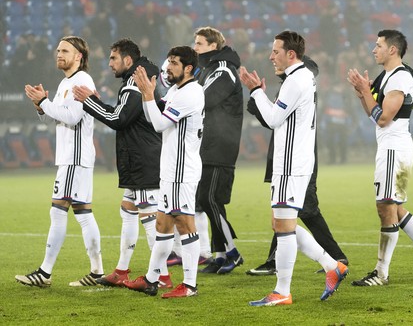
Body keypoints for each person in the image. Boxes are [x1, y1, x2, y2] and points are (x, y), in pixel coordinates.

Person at [240, 30, 348, 306]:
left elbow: (275, 118)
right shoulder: (302, 77)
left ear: (291, 54)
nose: (270, 56)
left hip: (290, 164)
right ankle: (331, 266)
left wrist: (255, 93)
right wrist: (261, 95)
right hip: (294, 162)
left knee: (284, 227)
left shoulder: (295, 80)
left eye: (275, 51)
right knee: (280, 223)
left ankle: (282, 291)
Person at [347, 29, 413, 286]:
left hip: (395, 148)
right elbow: (373, 113)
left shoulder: (400, 78)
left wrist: (366, 93)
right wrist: (363, 93)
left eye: (378, 45)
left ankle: (381, 273)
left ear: (393, 49)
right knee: (395, 208)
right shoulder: (389, 76)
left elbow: (383, 118)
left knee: (385, 208)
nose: (374, 49)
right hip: (394, 147)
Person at [72, 38, 172, 288]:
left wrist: (89, 101)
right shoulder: (138, 78)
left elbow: (119, 119)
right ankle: (121, 271)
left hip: (144, 159)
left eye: (113, 58)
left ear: (128, 60)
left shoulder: (135, 83)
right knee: (128, 211)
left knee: (151, 219)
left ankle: (161, 277)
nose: (109, 64)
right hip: (136, 159)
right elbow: (124, 115)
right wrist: (96, 101)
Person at [16, 36, 104, 287]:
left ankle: (44, 273)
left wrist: (44, 102)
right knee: (84, 213)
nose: (59, 54)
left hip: (74, 157)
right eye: (57, 50)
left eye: (65, 50)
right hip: (74, 156)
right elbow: (58, 116)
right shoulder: (66, 82)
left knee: (58, 211)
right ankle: (97, 272)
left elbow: (73, 117)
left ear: (79, 56)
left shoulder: (82, 80)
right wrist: (41, 106)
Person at [123, 46, 204, 298]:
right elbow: (154, 116)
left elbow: (158, 124)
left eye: (173, 63)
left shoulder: (189, 93)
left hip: (182, 170)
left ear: (188, 68)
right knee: (163, 223)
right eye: (167, 61)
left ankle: (189, 285)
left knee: (185, 223)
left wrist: (147, 93)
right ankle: (150, 280)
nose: (167, 67)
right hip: (171, 169)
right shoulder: (177, 90)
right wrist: (151, 95)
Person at [192, 26, 244, 274]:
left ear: (213, 46)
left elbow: (205, 99)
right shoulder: (210, 69)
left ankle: (232, 251)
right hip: (210, 142)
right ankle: (221, 254)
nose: (195, 48)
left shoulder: (223, 70)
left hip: (220, 144)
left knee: (209, 199)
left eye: (199, 43)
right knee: (210, 200)